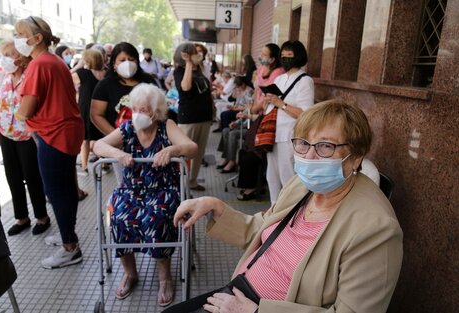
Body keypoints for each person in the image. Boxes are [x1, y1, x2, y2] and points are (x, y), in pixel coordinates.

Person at [172, 99, 403, 313]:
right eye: (303, 143)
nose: (309, 157)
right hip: (238, 292)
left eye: (325, 147)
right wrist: (216, 208)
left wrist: (255, 311)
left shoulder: (376, 230)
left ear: (356, 156)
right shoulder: (302, 186)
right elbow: (262, 229)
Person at [93, 83, 197, 304]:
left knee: (158, 216)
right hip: (131, 188)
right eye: (136, 109)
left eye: (144, 110)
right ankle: (130, 273)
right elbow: (98, 146)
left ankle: (164, 277)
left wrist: (172, 149)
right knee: (120, 216)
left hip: (163, 188)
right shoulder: (128, 128)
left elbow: (191, 147)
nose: (138, 115)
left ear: (156, 111)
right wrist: (117, 154)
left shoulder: (166, 126)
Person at [14, 16, 84, 269]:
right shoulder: (53, 60)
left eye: (19, 34)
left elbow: (27, 107)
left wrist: (19, 114)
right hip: (65, 131)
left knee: (56, 191)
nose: (16, 39)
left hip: (53, 134)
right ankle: (68, 236)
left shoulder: (39, 64)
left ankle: (70, 247)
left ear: (37, 38)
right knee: (65, 188)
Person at [0, 39, 49, 236]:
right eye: (3, 55)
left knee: (32, 176)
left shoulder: (30, 77)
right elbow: (0, 104)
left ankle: (42, 217)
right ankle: (21, 217)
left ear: (21, 58)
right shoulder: (1, 77)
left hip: (28, 135)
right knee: (13, 177)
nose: (5, 60)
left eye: (9, 55)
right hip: (5, 133)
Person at [91, 42, 155, 183]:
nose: (127, 63)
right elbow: (96, 114)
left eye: (131, 59)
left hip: (150, 143)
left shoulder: (148, 81)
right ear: (114, 64)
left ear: (138, 62)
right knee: (126, 184)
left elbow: (160, 109)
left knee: (152, 181)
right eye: (122, 60)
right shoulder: (105, 85)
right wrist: (116, 136)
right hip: (120, 146)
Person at [264, 40, 314, 204]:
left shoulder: (305, 81)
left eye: (289, 56)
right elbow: (272, 105)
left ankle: (290, 214)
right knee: (272, 177)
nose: (285, 59)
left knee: (288, 178)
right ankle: (274, 212)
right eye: (283, 56)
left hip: (289, 136)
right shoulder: (279, 79)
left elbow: (305, 113)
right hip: (272, 134)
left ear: (298, 57)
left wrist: (281, 104)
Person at [236, 43, 285, 200]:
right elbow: (257, 91)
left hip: (267, 117)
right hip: (257, 113)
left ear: (273, 58)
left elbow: (267, 97)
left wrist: (252, 110)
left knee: (254, 153)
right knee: (246, 149)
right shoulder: (262, 70)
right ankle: (249, 185)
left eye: (265, 54)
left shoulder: (278, 73)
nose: (261, 57)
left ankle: (253, 187)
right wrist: (250, 108)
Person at [173, 43, 213, 191]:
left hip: (204, 116)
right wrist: (188, 63)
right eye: (195, 53)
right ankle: (179, 182)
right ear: (186, 55)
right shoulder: (180, 71)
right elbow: (186, 87)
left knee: (198, 152)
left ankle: (192, 181)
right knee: (184, 151)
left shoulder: (200, 69)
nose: (199, 55)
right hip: (188, 117)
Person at [72, 48, 106, 175]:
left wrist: (78, 66)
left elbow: (65, 77)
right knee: (101, 138)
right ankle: (103, 164)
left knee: (85, 139)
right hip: (102, 107)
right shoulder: (105, 73)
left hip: (85, 107)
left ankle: (84, 166)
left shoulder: (82, 73)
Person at [217, 76, 254, 173]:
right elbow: (244, 109)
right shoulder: (242, 92)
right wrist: (236, 123)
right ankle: (227, 158)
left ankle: (232, 161)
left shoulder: (252, 95)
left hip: (250, 125)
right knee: (225, 130)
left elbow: (247, 112)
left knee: (232, 133)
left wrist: (237, 112)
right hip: (243, 120)